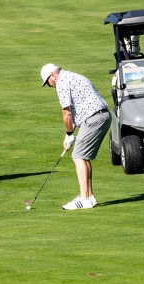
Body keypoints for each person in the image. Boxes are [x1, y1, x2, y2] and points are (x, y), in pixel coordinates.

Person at [41, 63, 110, 210]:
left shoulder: (62, 83)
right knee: (83, 156)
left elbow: (67, 113)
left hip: (93, 119)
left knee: (77, 156)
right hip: (102, 116)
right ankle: (89, 197)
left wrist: (69, 135)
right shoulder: (73, 76)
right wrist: (69, 136)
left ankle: (84, 199)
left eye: (48, 82)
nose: (50, 86)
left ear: (53, 76)